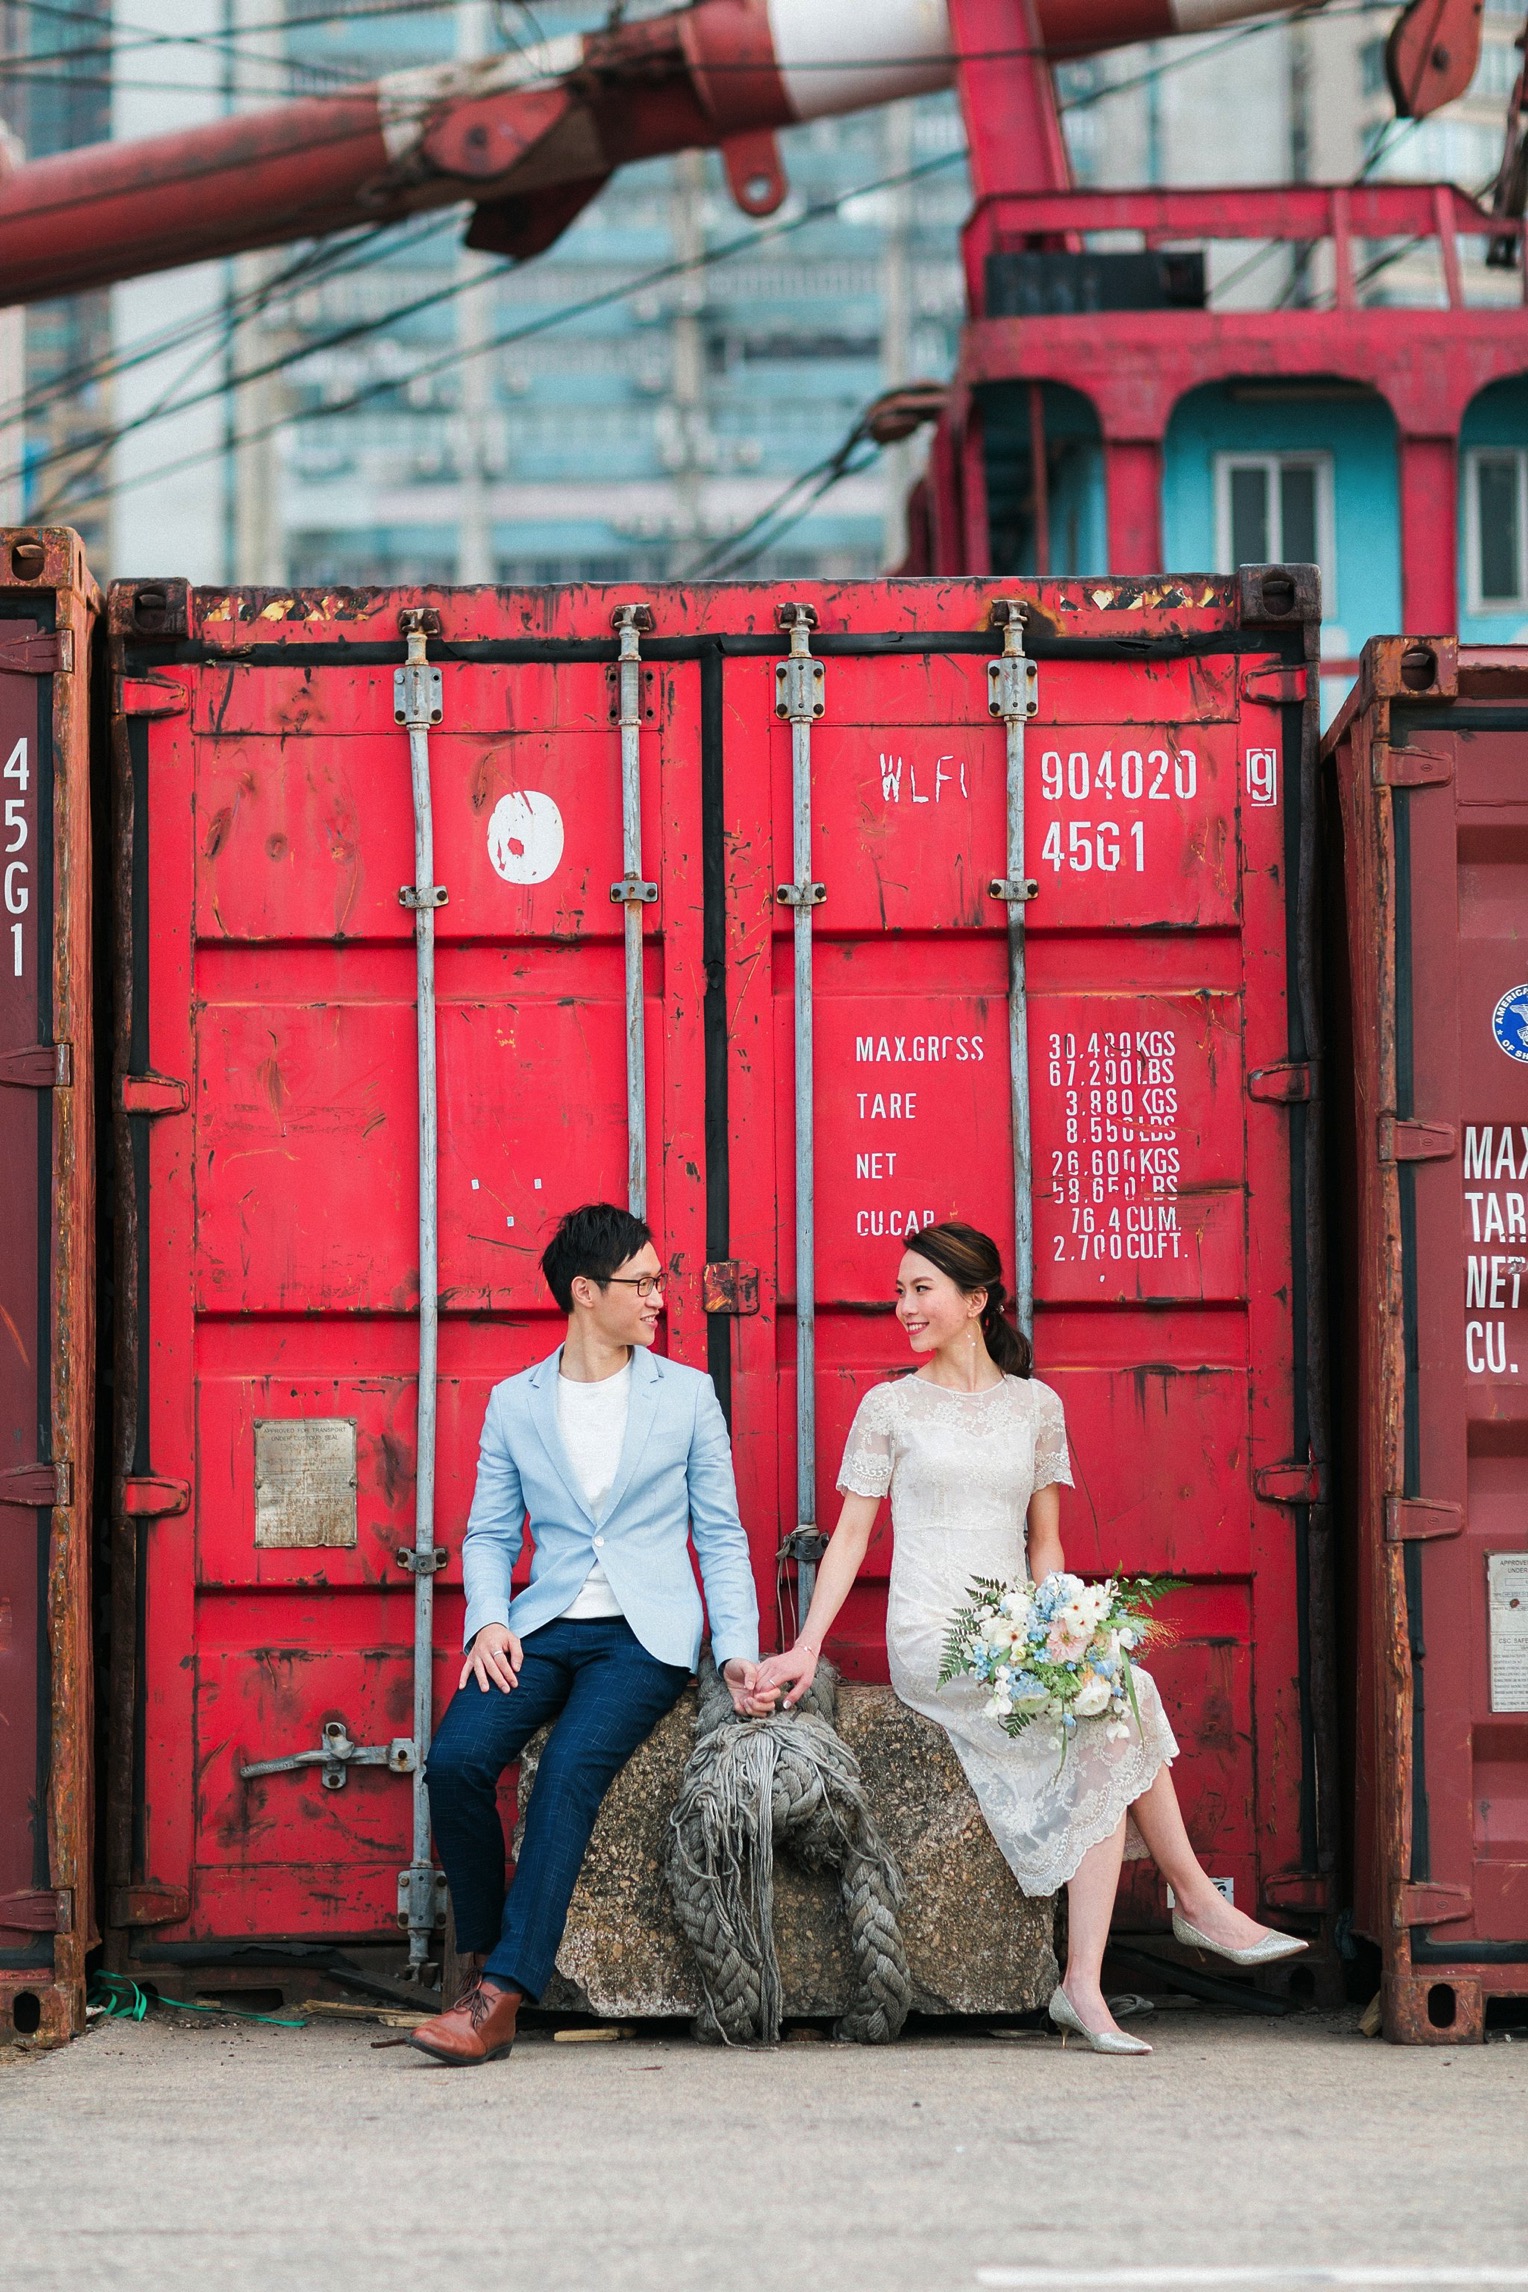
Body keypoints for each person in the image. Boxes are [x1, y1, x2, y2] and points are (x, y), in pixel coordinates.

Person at [753, 1219, 1306, 2056]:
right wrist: (805, 1646)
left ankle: (1081, 1986)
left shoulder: (1036, 1406)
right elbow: (854, 1536)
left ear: (977, 1300)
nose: (904, 1306)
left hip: (1017, 1622)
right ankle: (1190, 1900)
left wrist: (1062, 1628)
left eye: (921, 1289)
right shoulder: (889, 1406)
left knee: (1106, 1697)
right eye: (899, 1291)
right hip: (937, 1634)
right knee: (1117, 1697)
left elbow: (1044, 1541)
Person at [409, 1201, 768, 2066]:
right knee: (454, 1764)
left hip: (643, 1636)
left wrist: (736, 1648)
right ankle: (485, 1961)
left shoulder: (685, 1395)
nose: (658, 1298)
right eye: (641, 1283)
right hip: (543, 1625)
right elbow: (490, 1534)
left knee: (569, 1770)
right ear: (583, 1291)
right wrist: (489, 1620)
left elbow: (719, 1533)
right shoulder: (515, 1402)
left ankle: (499, 2000)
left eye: (657, 1282)